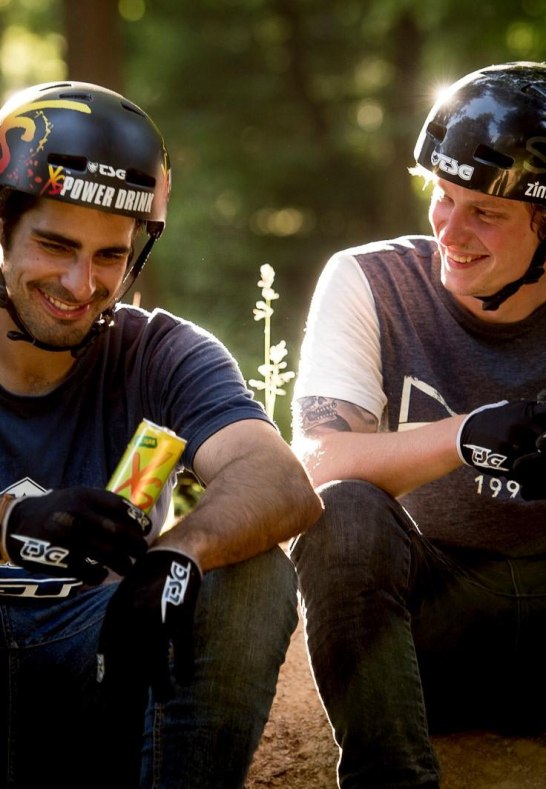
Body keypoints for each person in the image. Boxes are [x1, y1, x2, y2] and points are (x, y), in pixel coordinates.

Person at [0, 80, 322, 789]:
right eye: (54, 244)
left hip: (100, 657)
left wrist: (173, 555)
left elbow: (281, 482)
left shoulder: (163, 351)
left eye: (110, 256)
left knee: (252, 574)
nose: (82, 283)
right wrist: (13, 521)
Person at [290, 60, 546, 789]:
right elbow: (313, 461)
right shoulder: (370, 280)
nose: (450, 231)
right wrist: (467, 434)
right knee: (341, 505)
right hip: (433, 621)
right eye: (443, 196)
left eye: (486, 212)